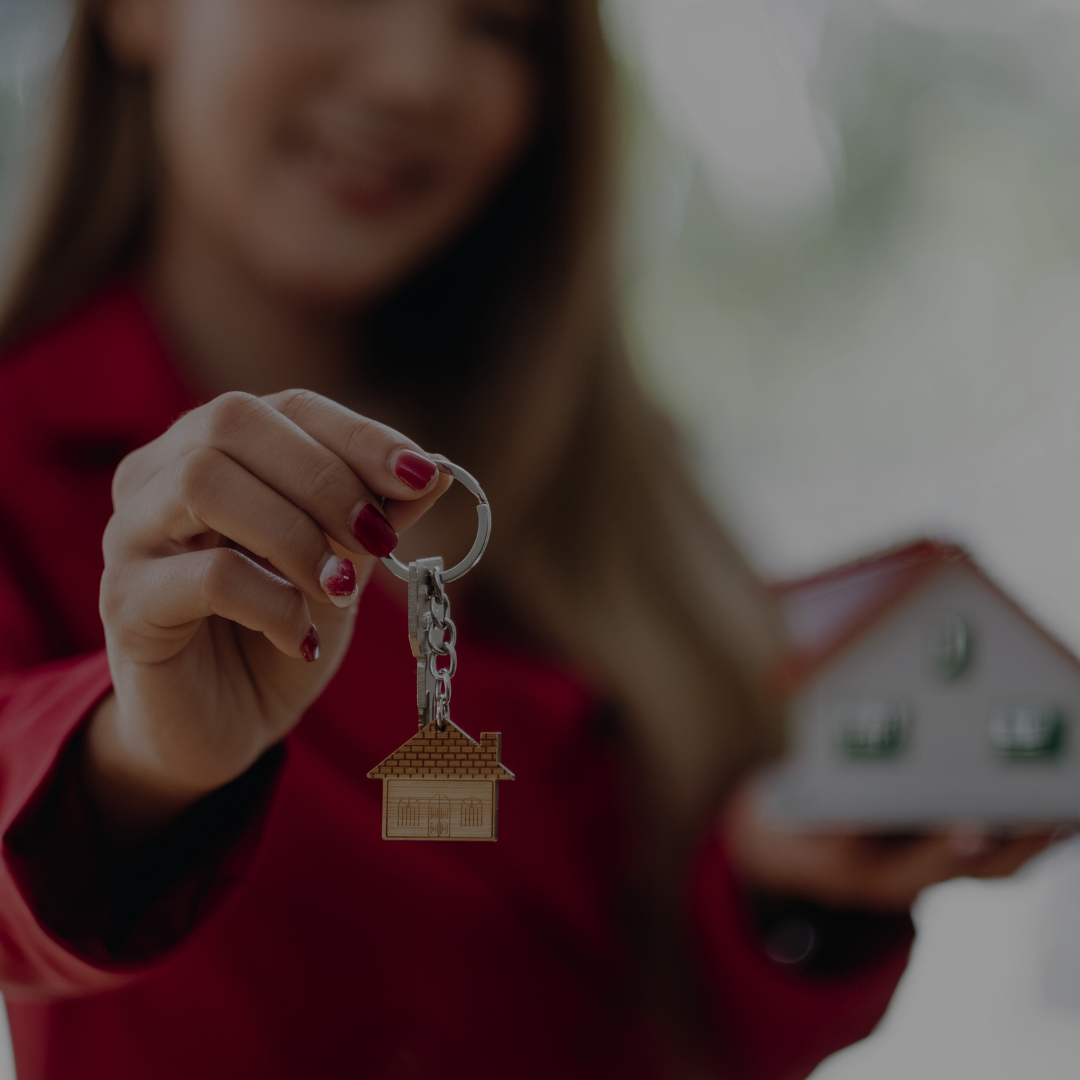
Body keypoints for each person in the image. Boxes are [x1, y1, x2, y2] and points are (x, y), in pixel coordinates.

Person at [0, 1, 1048, 1077]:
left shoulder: (613, 480)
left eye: (501, 22)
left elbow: (662, 1012)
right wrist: (140, 760)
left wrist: (787, 898)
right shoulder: (18, 453)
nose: (414, 79)